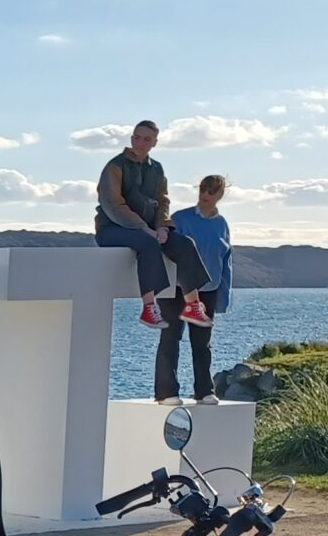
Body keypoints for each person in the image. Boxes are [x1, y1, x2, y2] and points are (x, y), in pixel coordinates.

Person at [92, 120, 215, 330]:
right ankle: (149, 307)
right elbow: (112, 204)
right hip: (112, 229)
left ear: (154, 143)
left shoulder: (156, 169)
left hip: (148, 229)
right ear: (131, 139)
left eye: (146, 139)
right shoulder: (115, 166)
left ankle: (192, 305)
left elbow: (163, 201)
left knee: (185, 243)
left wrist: (162, 227)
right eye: (136, 137)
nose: (140, 143)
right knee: (148, 242)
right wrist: (144, 228)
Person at [159, 174, 233, 404]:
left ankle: (204, 391)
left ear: (221, 194)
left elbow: (226, 261)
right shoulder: (179, 219)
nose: (206, 194)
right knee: (170, 338)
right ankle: (166, 392)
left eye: (212, 190)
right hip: (178, 290)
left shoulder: (222, 225)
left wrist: (223, 298)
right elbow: (167, 252)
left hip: (209, 290)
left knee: (202, 343)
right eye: (203, 188)